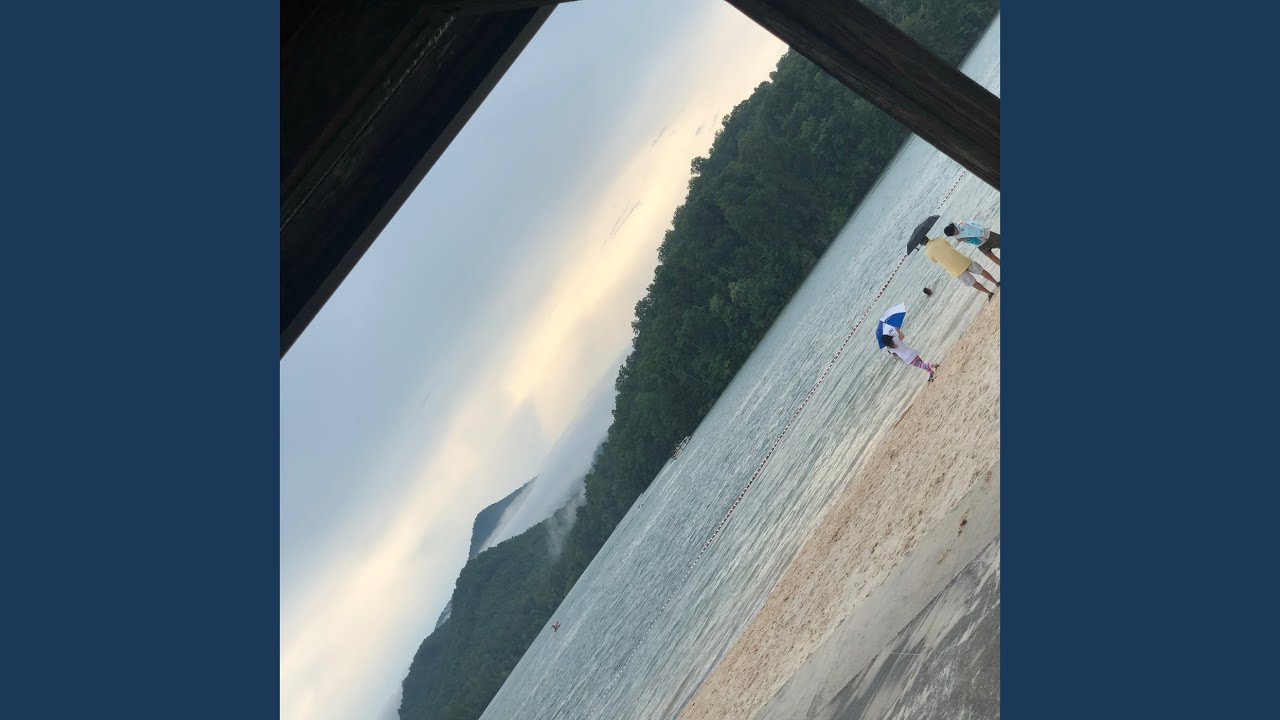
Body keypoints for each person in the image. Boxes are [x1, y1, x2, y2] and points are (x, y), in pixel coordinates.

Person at [922, 236, 999, 299]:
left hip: (954, 270)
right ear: (927, 237)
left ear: (922, 244)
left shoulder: (927, 253)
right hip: (962, 259)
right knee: (981, 271)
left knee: (972, 282)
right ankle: (996, 283)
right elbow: (950, 246)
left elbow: (935, 260)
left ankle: (989, 293)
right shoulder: (939, 239)